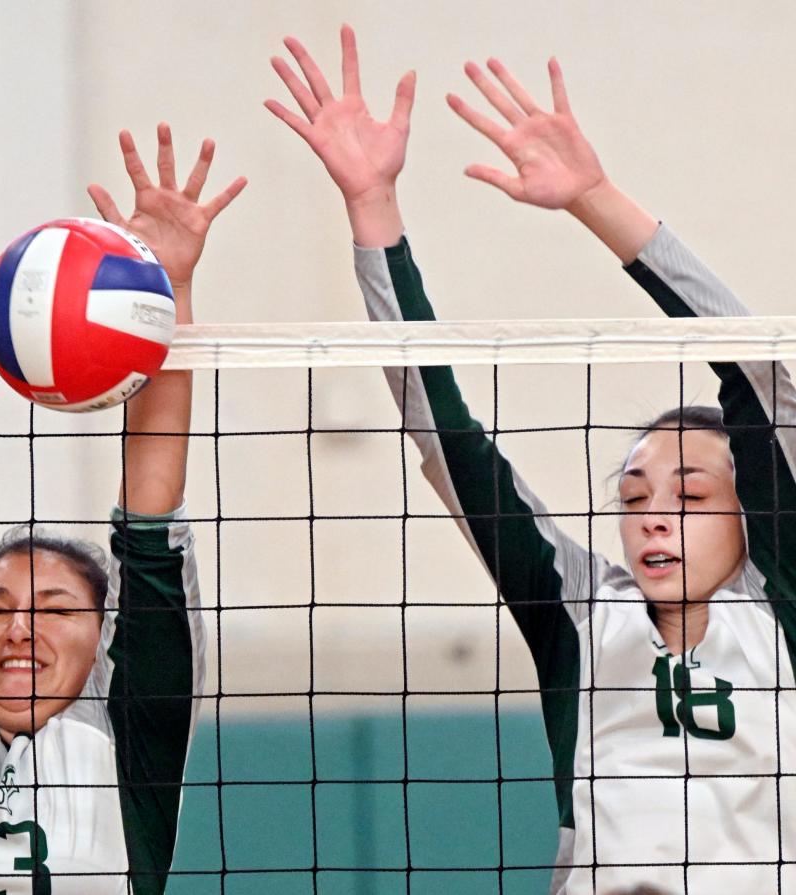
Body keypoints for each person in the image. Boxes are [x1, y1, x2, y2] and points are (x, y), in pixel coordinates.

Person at [266, 26, 796, 895]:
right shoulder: (579, 612)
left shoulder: (783, 607)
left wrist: (597, 201)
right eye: (634, 495)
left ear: (755, 518)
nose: (653, 514)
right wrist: (373, 210)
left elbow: (754, 368)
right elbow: (447, 438)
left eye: (690, 493)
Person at [0, 86, 245, 894]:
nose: (19, 627)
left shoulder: (125, 743)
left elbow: (152, 525)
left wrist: (165, 289)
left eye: (58, 608)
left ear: (105, 645)